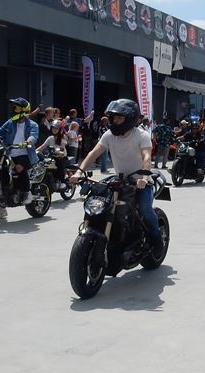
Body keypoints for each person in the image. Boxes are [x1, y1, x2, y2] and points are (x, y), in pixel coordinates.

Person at [69, 99, 163, 257]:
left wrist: (144, 177)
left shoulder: (142, 135)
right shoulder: (109, 135)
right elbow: (93, 153)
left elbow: (146, 157)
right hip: (120, 180)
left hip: (141, 181)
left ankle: (157, 239)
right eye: (113, 118)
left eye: (119, 118)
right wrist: (79, 171)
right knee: (101, 201)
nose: (115, 121)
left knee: (145, 210)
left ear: (130, 119)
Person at [0, 97, 39, 217]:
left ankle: (27, 193)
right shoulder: (11, 122)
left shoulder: (32, 125)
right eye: (14, 108)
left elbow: (34, 136)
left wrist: (28, 141)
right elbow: (0, 131)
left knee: (19, 169)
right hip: (9, 153)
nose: (14, 110)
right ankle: (3, 207)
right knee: (1, 174)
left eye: (17, 108)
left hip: (24, 154)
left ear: (24, 110)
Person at [36, 119, 69, 189]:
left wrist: (58, 152)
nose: (54, 130)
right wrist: (34, 152)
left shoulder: (63, 138)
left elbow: (62, 149)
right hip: (51, 157)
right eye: (53, 128)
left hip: (61, 157)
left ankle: (62, 182)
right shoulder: (50, 138)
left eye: (56, 128)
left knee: (58, 163)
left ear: (60, 130)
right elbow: (42, 147)